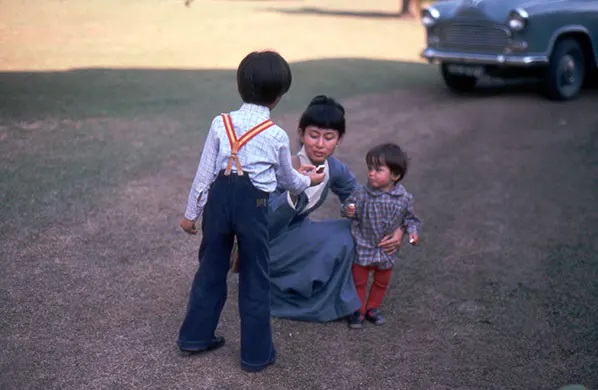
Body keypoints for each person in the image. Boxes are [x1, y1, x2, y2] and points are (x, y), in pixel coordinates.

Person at [177, 50, 325, 372]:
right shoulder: (275, 135)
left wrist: (191, 213)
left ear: (240, 86)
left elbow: (205, 172)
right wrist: (308, 179)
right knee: (255, 277)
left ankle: (194, 336)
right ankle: (255, 355)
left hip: (218, 202)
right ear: (278, 97)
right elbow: (288, 181)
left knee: (211, 268)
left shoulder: (220, 123)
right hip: (253, 205)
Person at [267, 96, 406, 322]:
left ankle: (345, 301)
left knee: (353, 229)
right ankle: (332, 301)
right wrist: (296, 187)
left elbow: (366, 199)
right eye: (314, 135)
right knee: (344, 236)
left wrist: (397, 228)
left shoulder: (334, 168)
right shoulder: (285, 165)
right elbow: (266, 219)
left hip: (296, 234)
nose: (320, 144)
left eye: (329, 137)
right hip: (268, 242)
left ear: (339, 140)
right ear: (301, 134)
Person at [343, 143, 421, 329]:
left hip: (386, 248)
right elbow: (346, 208)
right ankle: (358, 310)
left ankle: (373, 308)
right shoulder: (361, 194)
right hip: (363, 244)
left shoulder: (404, 198)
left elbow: (411, 219)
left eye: (378, 170)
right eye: (370, 168)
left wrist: (412, 233)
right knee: (359, 280)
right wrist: (349, 210)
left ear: (394, 175)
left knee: (381, 281)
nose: (371, 173)